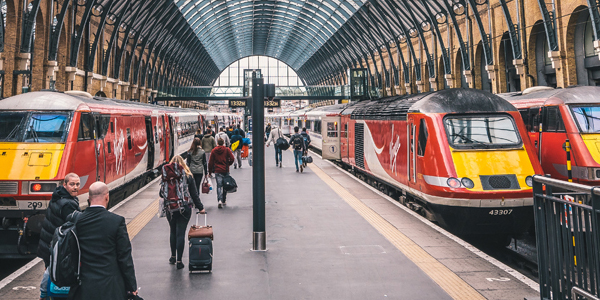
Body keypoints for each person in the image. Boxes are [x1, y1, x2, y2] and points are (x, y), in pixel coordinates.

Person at [69, 181, 138, 300]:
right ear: (107, 197)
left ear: (89, 198)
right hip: (111, 286)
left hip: (85, 285)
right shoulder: (117, 221)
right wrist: (132, 286)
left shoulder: (77, 221)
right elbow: (124, 257)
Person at [37, 173, 81, 300]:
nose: (75, 187)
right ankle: (44, 295)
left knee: (49, 271)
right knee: (51, 271)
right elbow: (73, 225)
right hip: (54, 245)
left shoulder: (58, 195)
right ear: (65, 185)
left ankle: (45, 294)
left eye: (77, 184)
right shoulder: (68, 204)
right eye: (72, 184)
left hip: (47, 242)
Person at [161, 155, 205, 269]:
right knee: (180, 233)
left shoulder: (166, 176)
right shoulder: (188, 176)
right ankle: (179, 261)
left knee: (173, 232)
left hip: (170, 208)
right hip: (184, 208)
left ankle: (173, 257)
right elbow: (194, 194)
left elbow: (161, 194)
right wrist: (201, 208)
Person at [208, 138, 234, 208]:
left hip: (217, 170)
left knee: (219, 186)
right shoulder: (227, 149)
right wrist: (228, 164)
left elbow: (210, 163)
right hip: (225, 170)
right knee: (225, 185)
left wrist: (210, 172)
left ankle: (219, 200)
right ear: (223, 143)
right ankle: (224, 200)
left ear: (217, 143)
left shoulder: (213, 151)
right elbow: (232, 158)